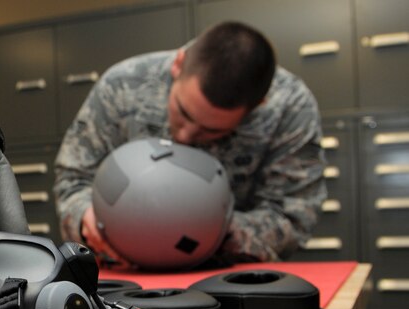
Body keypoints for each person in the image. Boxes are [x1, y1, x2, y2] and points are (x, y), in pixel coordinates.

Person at [53, 21, 326, 266]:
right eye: (183, 112)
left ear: (257, 106)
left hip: (230, 275)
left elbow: (293, 216)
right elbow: (73, 179)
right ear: (178, 64)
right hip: (125, 273)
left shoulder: (290, 107)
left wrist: (211, 231)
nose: (184, 136)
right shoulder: (122, 85)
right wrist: (85, 217)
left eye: (212, 130)